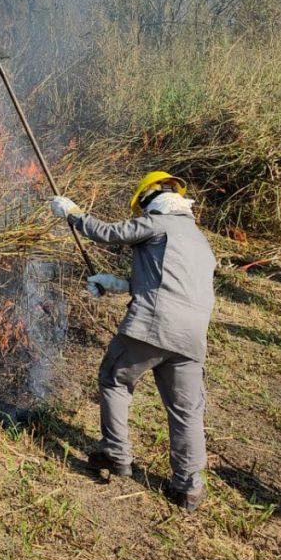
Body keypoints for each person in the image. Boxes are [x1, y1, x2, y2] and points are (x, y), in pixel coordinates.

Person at [51, 171, 215, 511]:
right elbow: (169, 282)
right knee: (186, 411)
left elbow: (109, 234)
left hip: (155, 325)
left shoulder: (160, 222)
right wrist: (117, 284)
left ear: (148, 198)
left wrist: (73, 213)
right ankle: (188, 487)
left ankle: (116, 454)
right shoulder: (200, 241)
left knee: (114, 378)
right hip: (193, 338)